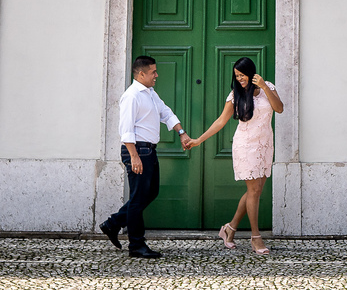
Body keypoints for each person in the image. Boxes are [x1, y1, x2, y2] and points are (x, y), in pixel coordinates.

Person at [185, 56, 283, 255]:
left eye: (242, 75)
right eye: (237, 76)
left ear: (251, 72)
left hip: (265, 145)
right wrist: (198, 140)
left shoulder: (268, 87)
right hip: (246, 146)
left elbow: (279, 108)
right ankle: (255, 237)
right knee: (254, 191)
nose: (240, 79)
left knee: (254, 191)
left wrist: (264, 86)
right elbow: (220, 121)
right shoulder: (234, 95)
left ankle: (229, 228)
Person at [99, 55, 192, 258]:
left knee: (149, 193)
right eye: (153, 72)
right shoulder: (131, 95)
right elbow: (126, 130)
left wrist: (181, 132)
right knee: (139, 198)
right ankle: (136, 246)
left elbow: (165, 112)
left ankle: (113, 224)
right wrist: (134, 156)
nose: (156, 75)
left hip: (148, 150)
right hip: (137, 150)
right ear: (141, 74)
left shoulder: (149, 93)